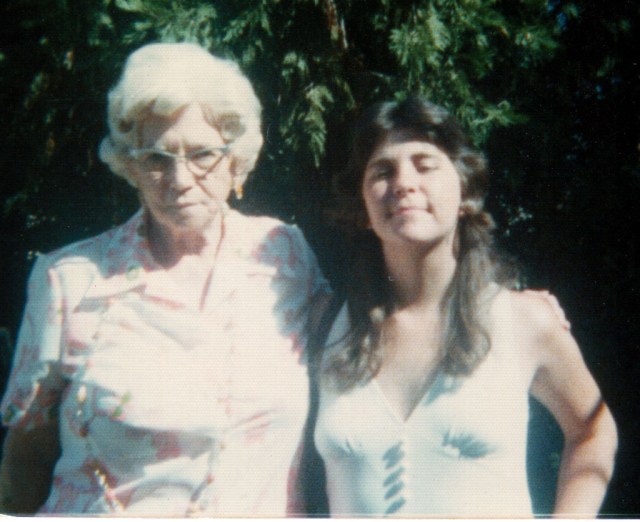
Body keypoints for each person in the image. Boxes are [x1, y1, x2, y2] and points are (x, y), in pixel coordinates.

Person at [0, 42, 329, 517]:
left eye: (202, 154)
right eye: (156, 158)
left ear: (235, 159)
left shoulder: (284, 256)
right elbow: (25, 459)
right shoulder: (71, 281)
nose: (179, 179)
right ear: (131, 166)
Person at [308, 96, 618, 517]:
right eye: (382, 172)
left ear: (465, 191)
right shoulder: (325, 326)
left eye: (425, 165)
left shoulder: (522, 321)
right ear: (362, 206)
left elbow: (593, 430)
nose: (403, 183)